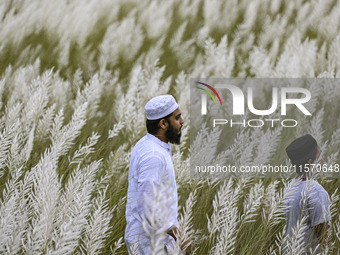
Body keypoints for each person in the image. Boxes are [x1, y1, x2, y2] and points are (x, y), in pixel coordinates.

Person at [125, 95, 194, 254]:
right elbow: (147, 206)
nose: (182, 121)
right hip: (150, 244)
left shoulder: (147, 144)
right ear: (163, 123)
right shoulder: (153, 156)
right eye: (177, 118)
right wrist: (179, 235)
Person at [284, 134, 331, 254]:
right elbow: (323, 237)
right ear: (310, 162)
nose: (323, 157)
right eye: (320, 153)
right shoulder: (316, 192)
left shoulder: (290, 186)